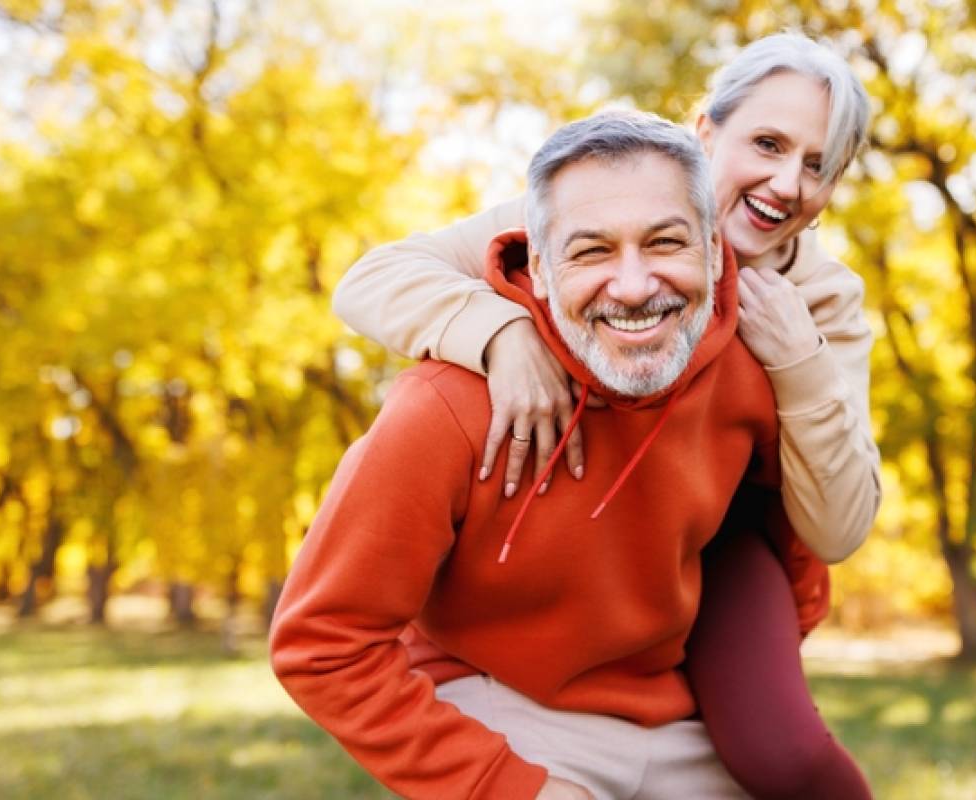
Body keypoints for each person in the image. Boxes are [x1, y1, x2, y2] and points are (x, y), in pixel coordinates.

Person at [332, 33, 877, 798]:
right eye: (768, 143)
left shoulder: (823, 301)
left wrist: (799, 358)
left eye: (817, 165)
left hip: (722, 530)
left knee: (787, 756)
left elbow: (841, 523)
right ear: (706, 132)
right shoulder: (602, 201)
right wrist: (501, 333)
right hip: (592, 509)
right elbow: (371, 279)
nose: (787, 182)